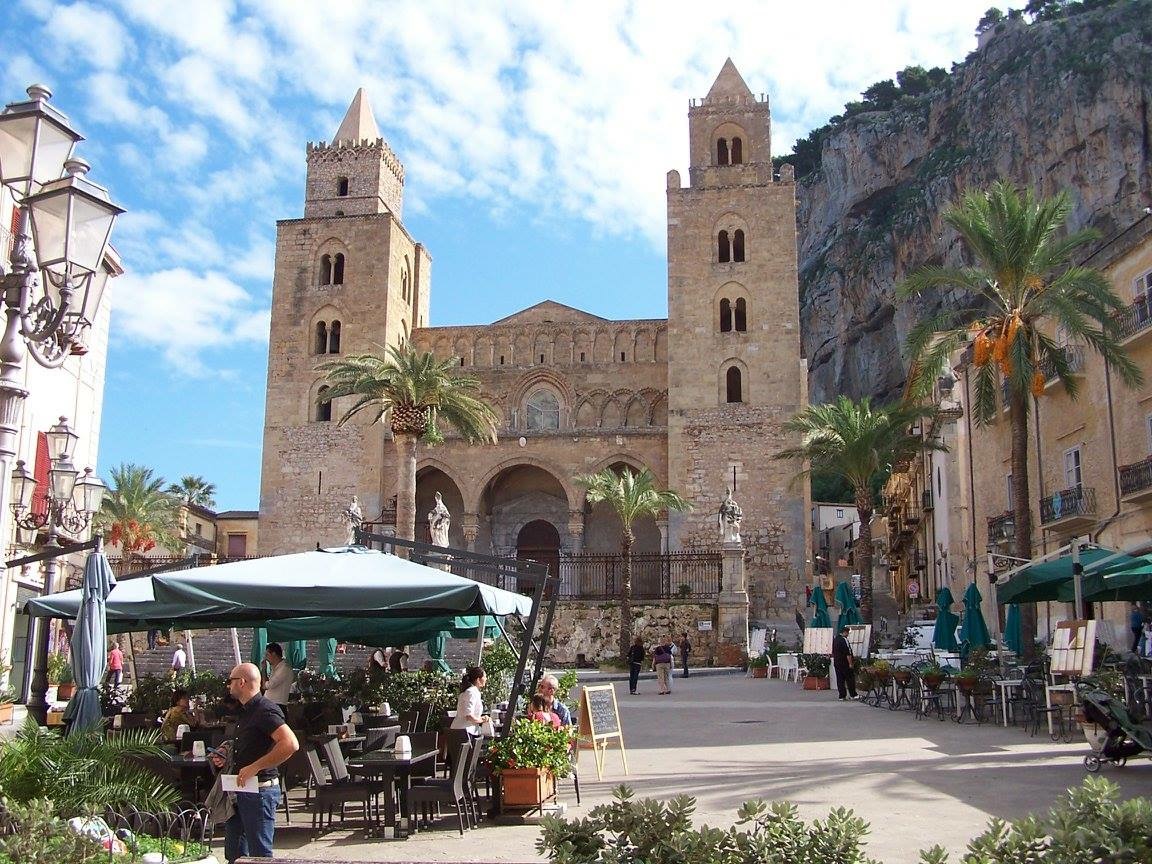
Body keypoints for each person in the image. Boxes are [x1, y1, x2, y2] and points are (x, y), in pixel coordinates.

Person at [213, 662, 298, 862]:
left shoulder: (264, 709)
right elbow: (250, 746)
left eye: (231, 681)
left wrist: (256, 766)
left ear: (242, 682)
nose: (228, 685)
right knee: (234, 853)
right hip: (241, 790)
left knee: (260, 855)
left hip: (259, 791)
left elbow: (290, 744)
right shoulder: (245, 710)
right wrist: (225, 755)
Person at [450, 666, 489, 735]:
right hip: (463, 732)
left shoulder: (473, 691)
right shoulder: (471, 692)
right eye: (484, 677)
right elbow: (469, 715)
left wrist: (480, 718)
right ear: (478, 679)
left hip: (466, 731)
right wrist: (481, 720)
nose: (486, 679)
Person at [263, 643, 293, 711]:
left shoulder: (284, 668)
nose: (266, 658)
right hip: (270, 704)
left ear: (273, 654)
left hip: (277, 705)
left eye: (267, 655)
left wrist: (264, 670)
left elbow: (267, 685)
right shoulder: (275, 668)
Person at [831, 625, 858, 701]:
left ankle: (842, 696)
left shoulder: (835, 639)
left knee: (840, 680)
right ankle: (853, 694)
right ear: (845, 632)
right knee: (850, 679)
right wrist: (850, 663)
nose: (848, 635)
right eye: (848, 633)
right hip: (845, 663)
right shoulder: (844, 640)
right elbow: (848, 653)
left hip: (837, 662)